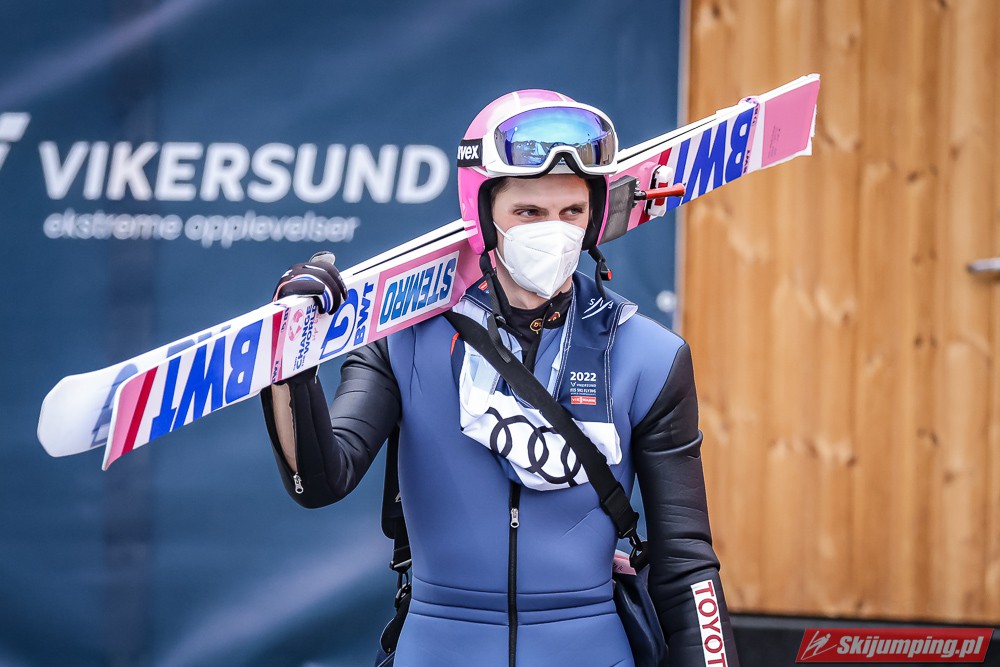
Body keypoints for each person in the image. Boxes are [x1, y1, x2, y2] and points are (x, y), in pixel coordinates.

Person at [261, 89, 740, 667]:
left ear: (594, 218)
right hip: (439, 644)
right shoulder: (402, 339)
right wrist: (291, 357)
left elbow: (685, 562)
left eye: (572, 212)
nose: (554, 232)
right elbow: (319, 481)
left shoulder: (650, 355)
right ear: (484, 214)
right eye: (528, 213)